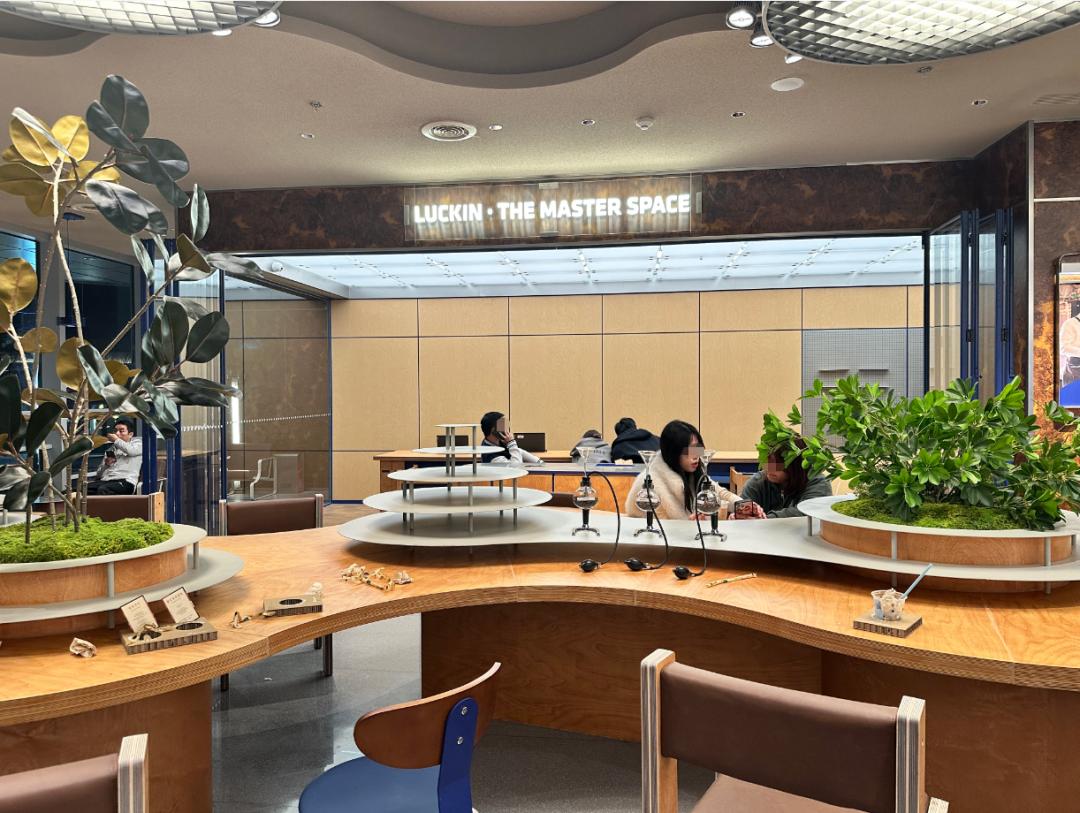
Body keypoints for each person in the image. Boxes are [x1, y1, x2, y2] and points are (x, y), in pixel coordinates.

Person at [625, 420, 738, 521]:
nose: (696, 456)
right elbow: (660, 529)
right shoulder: (651, 484)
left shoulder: (694, 473)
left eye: (697, 449)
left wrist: (742, 506)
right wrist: (694, 524)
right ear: (673, 453)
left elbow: (721, 494)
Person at [738, 438, 833, 519]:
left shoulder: (818, 482)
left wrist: (763, 519)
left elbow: (808, 514)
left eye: (777, 463)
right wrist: (740, 515)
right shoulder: (757, 482)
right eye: (767, 461)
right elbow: (742, 511)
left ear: (796, 464)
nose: (769, 468)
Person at [86, 417, 143, 495]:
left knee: (103, 490)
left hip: (125, 481)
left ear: (130, 434)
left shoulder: (138, 444)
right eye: (115, 431)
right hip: (106, 481)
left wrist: (116, 440)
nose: (117, 433)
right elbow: (99, 475)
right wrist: (106, 465)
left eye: (121, 431)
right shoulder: (111, 450)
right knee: (80, 489)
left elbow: (131, 451)